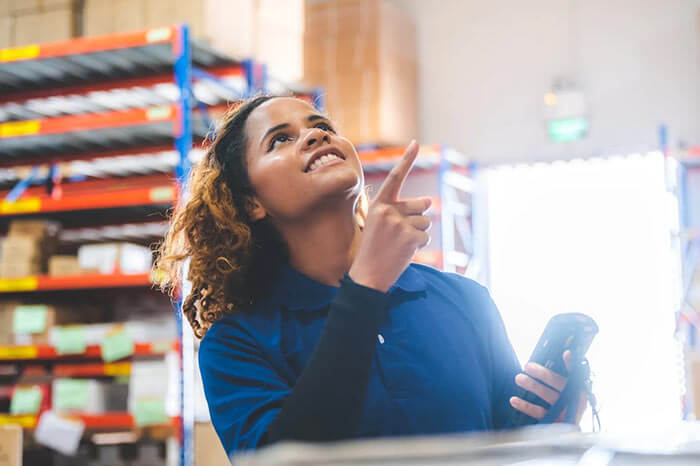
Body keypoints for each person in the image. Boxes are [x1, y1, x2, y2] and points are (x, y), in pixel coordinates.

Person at [156, 95, 585, 457]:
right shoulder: (237, 345)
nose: (316, 134)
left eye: (320, 124)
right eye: (280, 140)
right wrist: (365, 287)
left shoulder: (465, 299)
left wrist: (554, 416)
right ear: (251, 203)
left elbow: (506, 444)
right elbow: (290, 459)